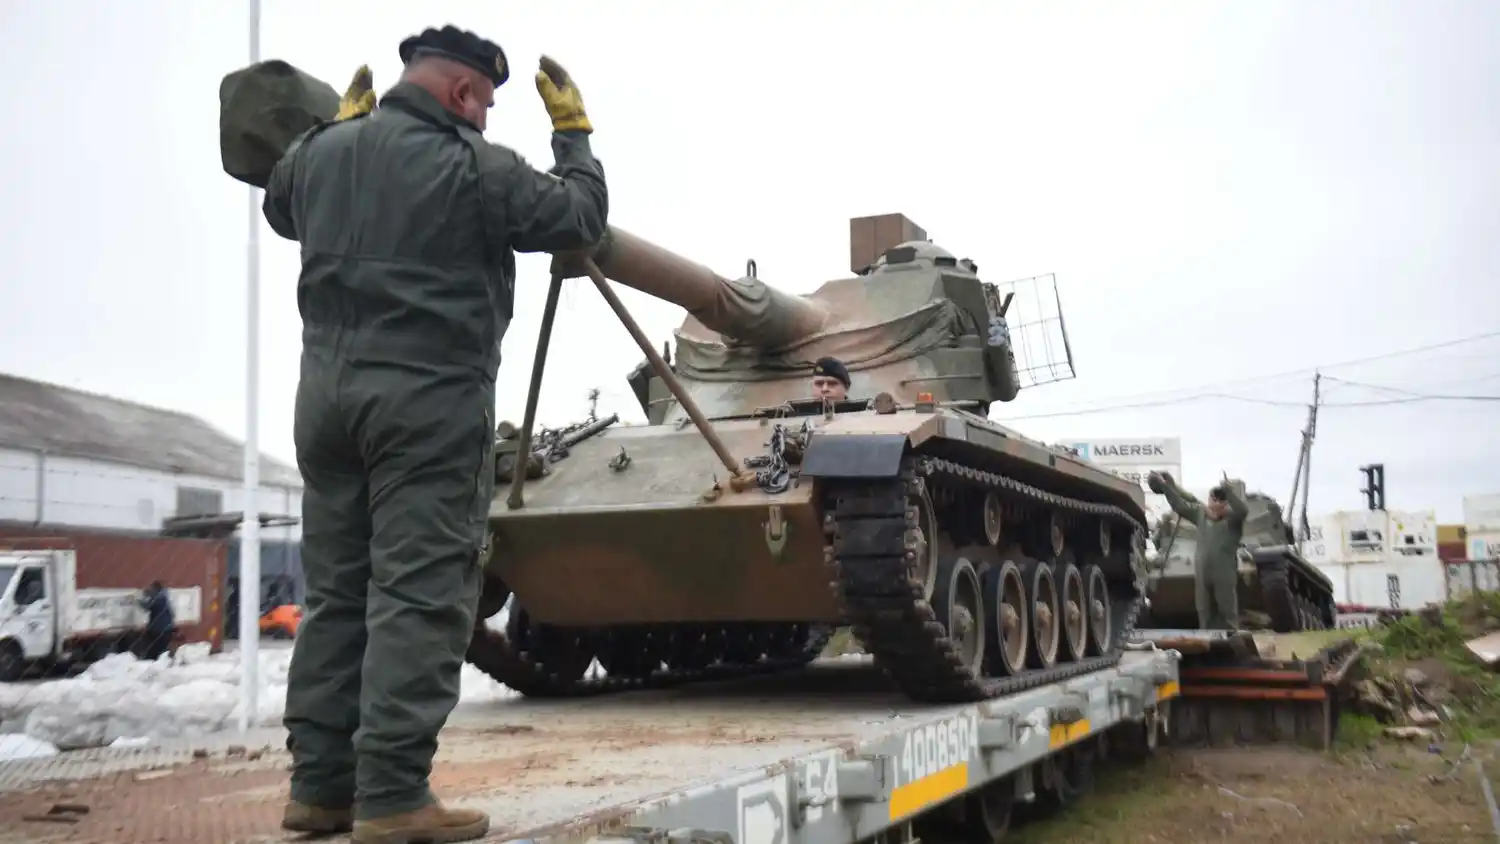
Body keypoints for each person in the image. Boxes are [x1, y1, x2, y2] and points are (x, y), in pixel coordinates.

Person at [261, 25, 609, 844]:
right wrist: (574, 136)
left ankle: (318, 790)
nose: (487, 117)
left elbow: (280, 203)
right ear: (460, 94)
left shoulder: (323, 152)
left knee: (338, 595)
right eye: (485, 101)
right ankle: (391, 796)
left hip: (327, 407)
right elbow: (581, 218)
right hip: (426, 410)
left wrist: (331, 129)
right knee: (418, 594)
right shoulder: (477, 168)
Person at [1148, 471, 1249, 631]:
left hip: (1224, 574)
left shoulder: (1233, 521)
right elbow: (1179, 506)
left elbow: (1243, 511)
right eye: (1213, 498)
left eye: (1220, 499)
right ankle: (1207, 644)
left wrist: (1228, 491)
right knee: (1204, 611)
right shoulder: (1201, 514)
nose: (1216, 501)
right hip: (1203, 574)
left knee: (1226, 610)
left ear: (1226, 503)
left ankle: (1231, 644)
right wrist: (1165, 487)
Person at [137, 581, 176, 661]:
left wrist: (136, 600)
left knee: (154, 647)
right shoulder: (164, 596)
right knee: (161, 648)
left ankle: (152, 660)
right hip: (166, 627)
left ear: (155, 589)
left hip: (158, 628)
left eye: (151, 589)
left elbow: (147, 606)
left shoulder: (159, 598)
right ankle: (162, 661)